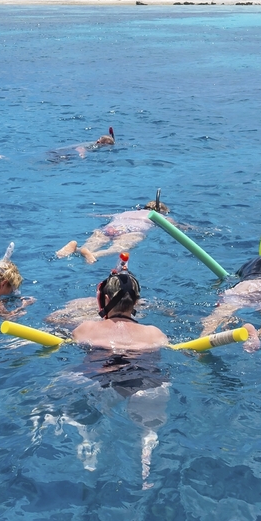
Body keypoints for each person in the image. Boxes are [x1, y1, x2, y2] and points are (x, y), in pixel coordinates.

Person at [68, 264, 170, 487]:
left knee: (77, 401)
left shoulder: (85, 329)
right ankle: (147, 446)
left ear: (104, 299)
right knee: (149, 424)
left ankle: (89, 440)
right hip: (148, 381)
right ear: (136, 302)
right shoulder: (155, 333)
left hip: (101, 379)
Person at [56, 191, 170, 264]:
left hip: (111, 228)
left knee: (91, 245)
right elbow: (175, 227)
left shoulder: (127, 212)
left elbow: (102, 216)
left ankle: (76, 248)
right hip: (131, 231)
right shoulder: (159, 217)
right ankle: (95, 255)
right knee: (117, 249)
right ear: (162, 212)